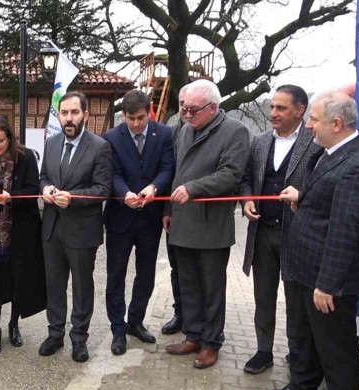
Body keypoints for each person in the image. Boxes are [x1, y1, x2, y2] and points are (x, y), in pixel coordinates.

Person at [262, 91, 359, 390]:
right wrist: (302, 198)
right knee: (304, 335)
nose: (308, 126)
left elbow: (345, 231)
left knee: (335, 346)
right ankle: (302, 386)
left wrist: (327, 284)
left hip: (327, 279)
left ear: (336, 123)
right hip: (303, 266)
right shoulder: (328, 152)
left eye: (313, 119)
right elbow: (328, 204)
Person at [163, 80, 250, 369]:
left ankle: (211, 343)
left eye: (193, 110)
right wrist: (168, 208)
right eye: (184, 109)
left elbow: (231, 174)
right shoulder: (184, 130)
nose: (187, 114)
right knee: (188, 285)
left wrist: (194, 188)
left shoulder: (235, 131)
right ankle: (193, 335)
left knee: (212, 288)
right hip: (182, 221)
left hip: (211, 225)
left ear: (213, 108)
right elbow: (176, 173)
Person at [237, 85, 319, 374]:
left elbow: (325, 186)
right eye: (272, 107)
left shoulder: (315, 143)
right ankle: (263, 351)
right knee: (263, 296)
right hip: (262, 233)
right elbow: (245, 178)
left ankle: (298, 355)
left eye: (281, 108)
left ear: (299, 110)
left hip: (296, 235)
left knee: (296, 301)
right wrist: (247, 200)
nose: (273, 113)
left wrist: (302, 195)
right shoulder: (260, 141)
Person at [38, 91, 113, 363]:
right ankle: (55, 333)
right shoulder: (52, 142)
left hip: (82, 229)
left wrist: (73, 198)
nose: (69, 118)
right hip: (52, 227)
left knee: (82, 287)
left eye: (74, 112)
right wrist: (45, 188)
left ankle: (79, 338)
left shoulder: (100, 147)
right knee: (54, 284)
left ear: (86, 115)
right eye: (64, 113)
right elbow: (43, 176)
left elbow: (103, 189)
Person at [103, 89, 174, 355]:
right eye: (130, 118)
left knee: (145, 274)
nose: (135, 123)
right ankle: (117, 329)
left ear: (149, 112)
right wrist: (125, 194)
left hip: (150, 220)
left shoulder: (164, 134)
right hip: (120, 218)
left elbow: (168, 168)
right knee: (116, 275)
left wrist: (154, 187)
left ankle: (135, 321)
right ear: (123, 115)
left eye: (141, 118)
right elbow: (112, 174)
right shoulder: (111, 137)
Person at [0, 116, 47, 354]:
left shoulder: (26, 157)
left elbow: (33, 190)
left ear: (10, 137)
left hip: (20, 230)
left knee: (18, 280)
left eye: (0, 141)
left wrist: (10, 197)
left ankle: (13, 325)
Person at [161, 85, 188, 335]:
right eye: (181, 104)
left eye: (190, 105)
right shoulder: (171, 134)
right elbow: (169, 175)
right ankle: (180, 314)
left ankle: (203, 322)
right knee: (176, 268)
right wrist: (166, 210)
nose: (185, 110)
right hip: (175, 216)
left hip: (204, 219)